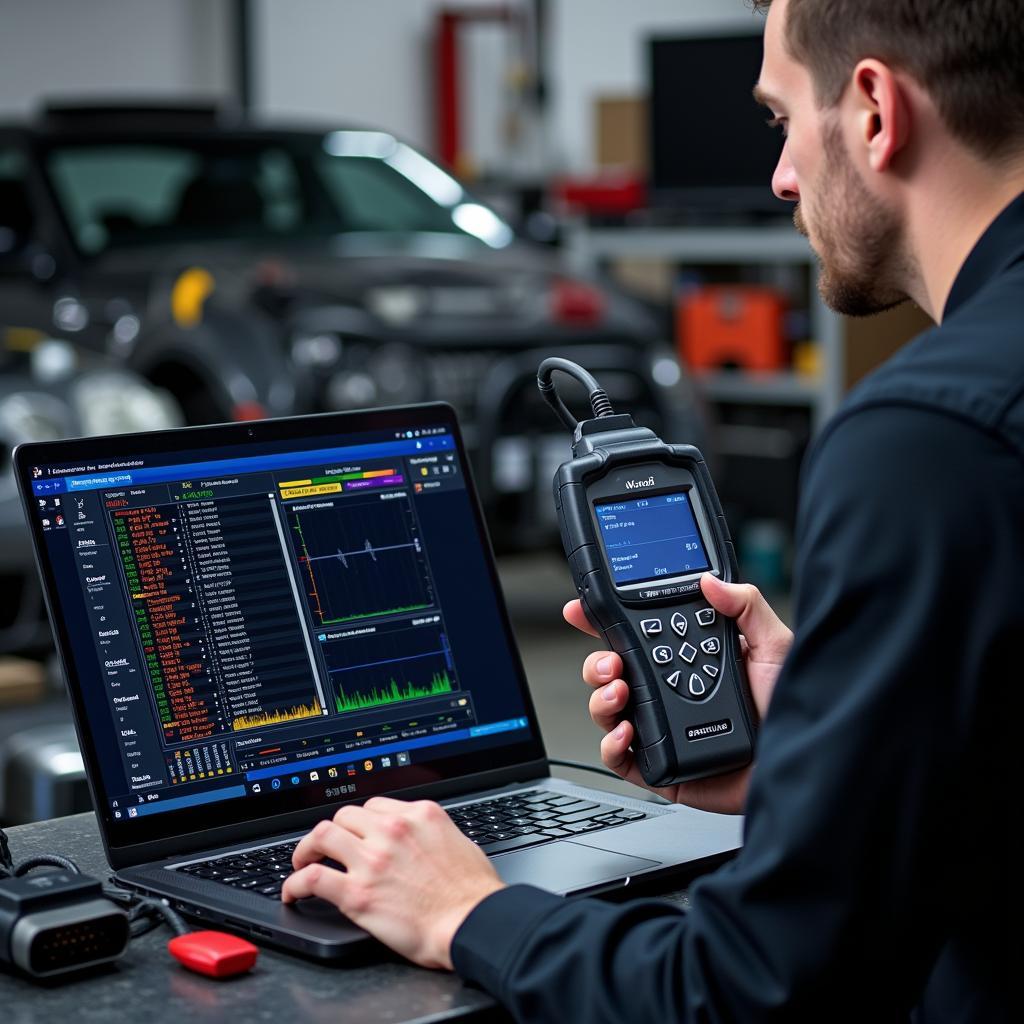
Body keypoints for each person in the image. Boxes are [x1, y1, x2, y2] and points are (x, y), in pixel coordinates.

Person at [282, 0, 1023, 1017]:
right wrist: (837, 753)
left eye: (777, 120)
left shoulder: (926, 441)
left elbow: (751, 992)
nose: (780, 176)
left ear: (871, 109)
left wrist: (468, 910)